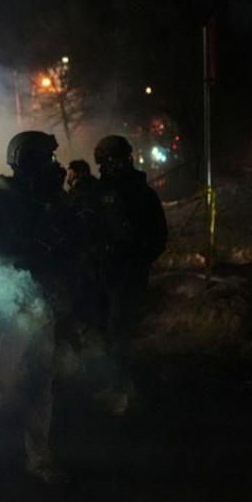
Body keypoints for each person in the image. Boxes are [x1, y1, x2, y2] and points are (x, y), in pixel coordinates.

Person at [0, 130, 71, 484]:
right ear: (30, 162)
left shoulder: (52, 201)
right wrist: (31, 244)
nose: (54, 166)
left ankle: (38, 458)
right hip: (10, 306)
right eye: (47, 159)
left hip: (42, 303)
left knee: (41, 382)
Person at [75, 134, 167, 416]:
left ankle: (121, 390)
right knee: (105, 332)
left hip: (126, 274)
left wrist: (135, 259)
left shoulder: (142, 194)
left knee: (119, 333)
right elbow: (83, 230)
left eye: (121, 158)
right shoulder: (95, 193)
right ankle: (116, 384)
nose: (118, 164)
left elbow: (157, 237)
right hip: (101, 274)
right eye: (112, 159)